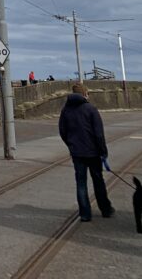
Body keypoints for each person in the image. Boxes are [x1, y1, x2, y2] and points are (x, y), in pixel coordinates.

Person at [58, 83, 114, 222]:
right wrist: (103, 151)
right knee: (98, 181)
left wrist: (71, 145)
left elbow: (62, 131)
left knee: (81, 183)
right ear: (85, 94)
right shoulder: (90, 109)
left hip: (77, 153)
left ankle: (85, 214)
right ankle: (105, 209)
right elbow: (99, 134)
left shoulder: (66, 110)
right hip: (93, 152)